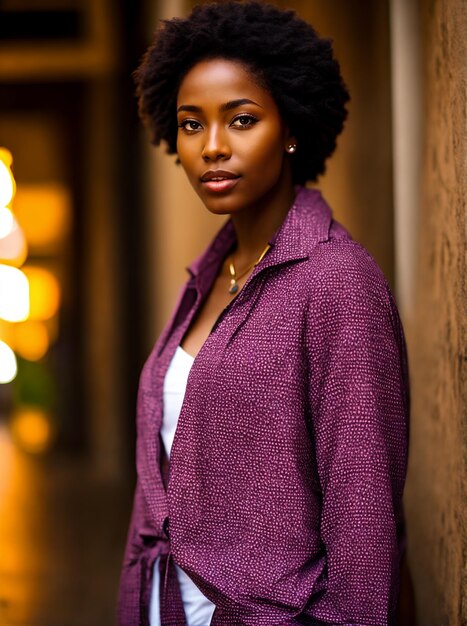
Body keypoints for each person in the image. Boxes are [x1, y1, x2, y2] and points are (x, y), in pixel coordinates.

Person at [117, 2, 410, 625]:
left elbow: (364, 523)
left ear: (292, 126)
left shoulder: (336, 283)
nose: (212, 147)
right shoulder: (206, 277)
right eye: (191, 125)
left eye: (242, 119)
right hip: (164, 605)